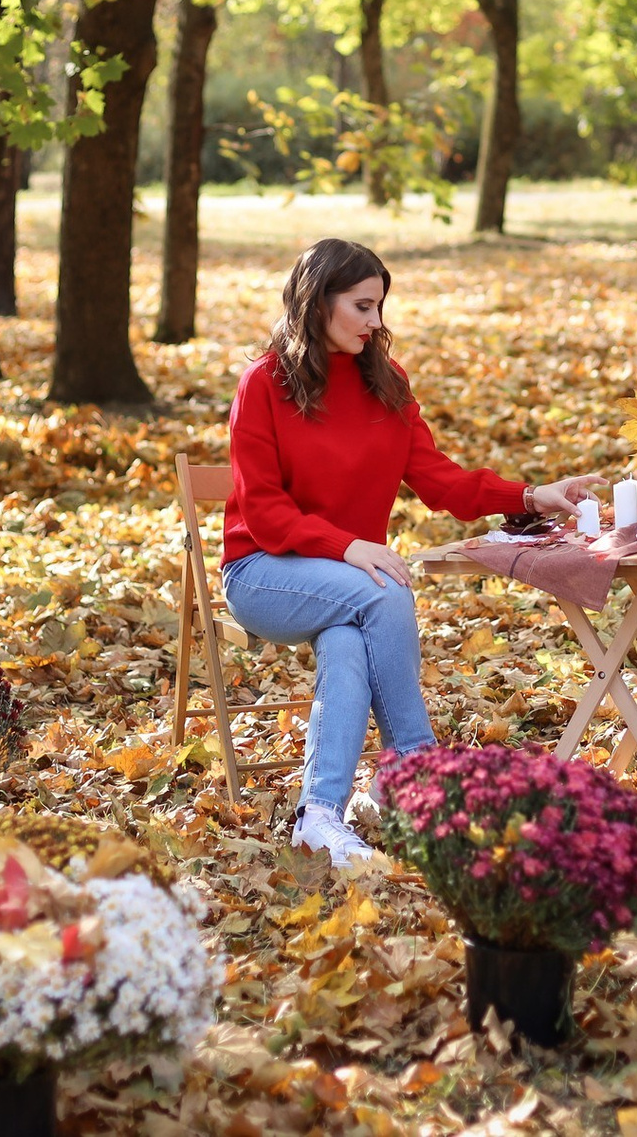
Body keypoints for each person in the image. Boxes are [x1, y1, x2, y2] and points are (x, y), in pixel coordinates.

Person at [221, 237, 602, 869]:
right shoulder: (263, 384)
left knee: (348, 643)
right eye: (362, 306)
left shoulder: (385, 381)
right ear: (317, 303)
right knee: (385, 589)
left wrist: (532, 495)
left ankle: (319, 817)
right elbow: (262, 513)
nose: (376, 323)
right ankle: (419, 771)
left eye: (379, 308)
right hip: (264, 573)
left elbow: (438, 479)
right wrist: (347, 546)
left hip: (350, 581)